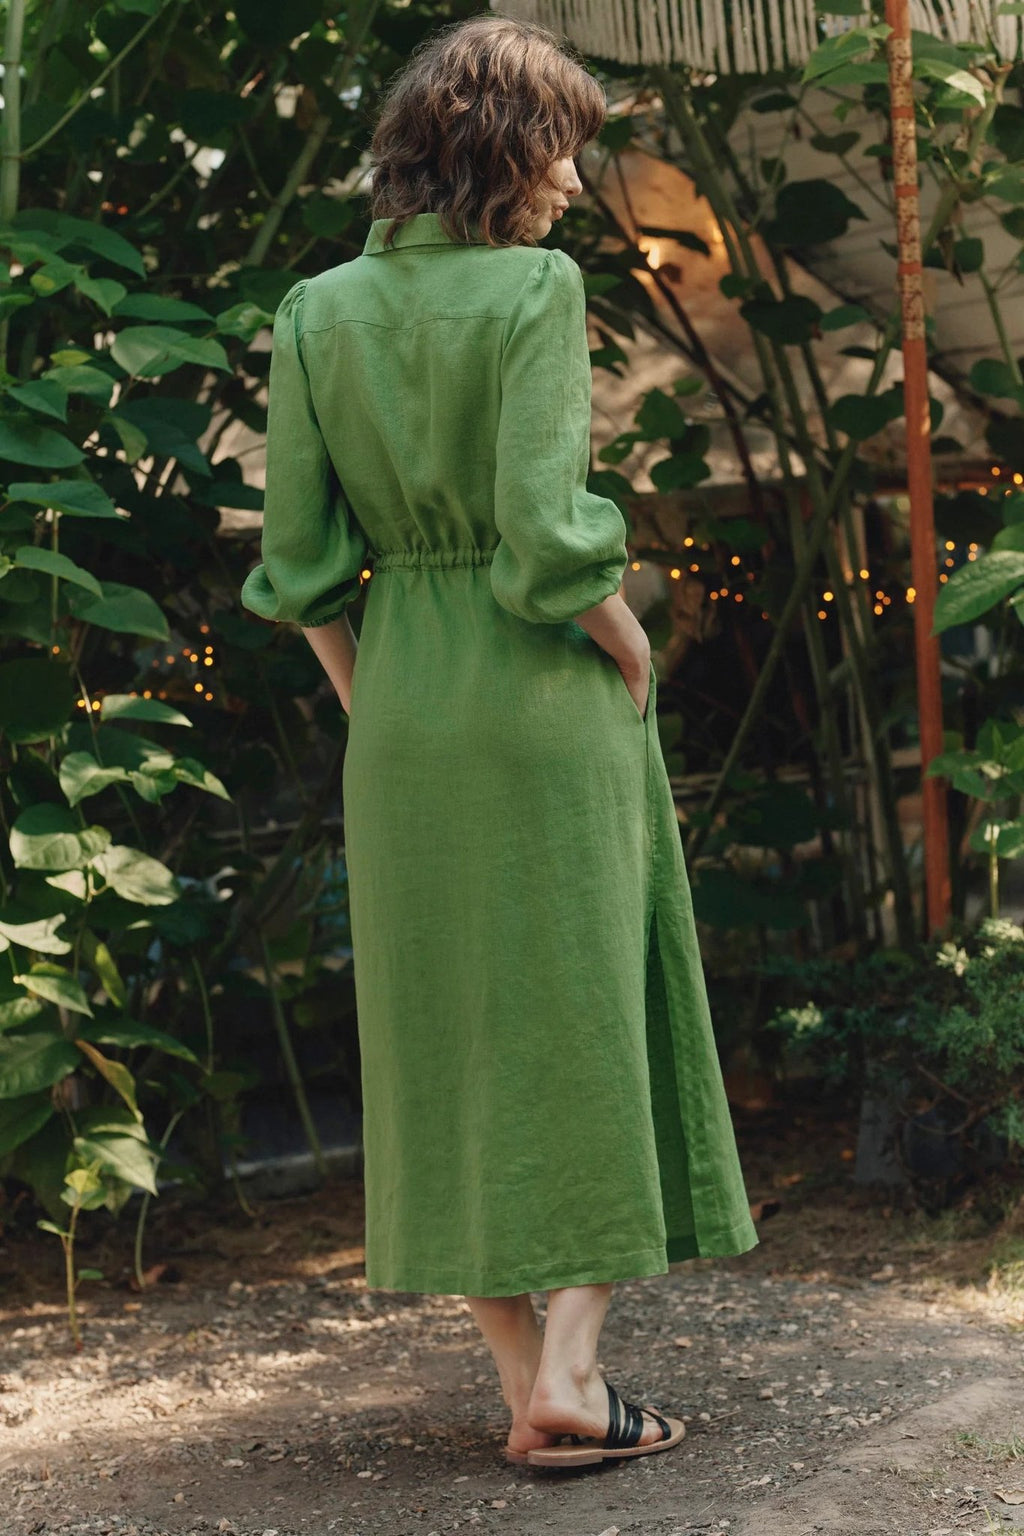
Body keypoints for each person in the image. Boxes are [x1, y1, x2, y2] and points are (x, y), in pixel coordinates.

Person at [241, 12, 758, 1472]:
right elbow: (542, 533)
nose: (576, 184)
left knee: (441, 1031)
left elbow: (298, 570)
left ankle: (530, 1381)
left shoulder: (313, 311)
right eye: (565, 152)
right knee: (595, 1004)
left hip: (404, 708)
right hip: (540, 697)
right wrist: (627, 632)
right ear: (505, 152)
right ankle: (576, 1369)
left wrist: (372, 698)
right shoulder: (535, 286)